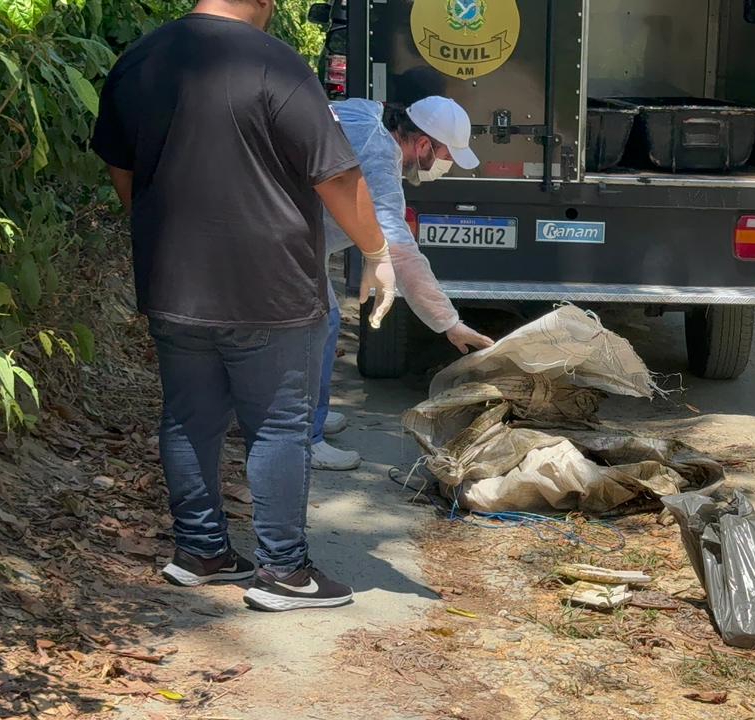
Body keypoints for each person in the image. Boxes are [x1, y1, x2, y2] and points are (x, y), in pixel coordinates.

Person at [91, 0, 400, 611]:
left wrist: (159, 235)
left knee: (188, 416)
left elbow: (121, 168)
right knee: (280, 425)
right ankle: (284, 573)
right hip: (271, 287)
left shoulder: (141, 59)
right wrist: (377, 250)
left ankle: (201, 551)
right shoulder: (277, 65)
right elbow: (335, 175)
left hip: (174, 283)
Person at [311, 96, 494, 470]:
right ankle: (303, 437)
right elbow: (401, 252)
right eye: (446, 156)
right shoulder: (380, 157)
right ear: (423, 144)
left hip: (295, 235)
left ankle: (311, 411)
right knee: (318, 326)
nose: (445, 167)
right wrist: (449, 323)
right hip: (284, 240)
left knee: (324, 324)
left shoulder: (368, 115)